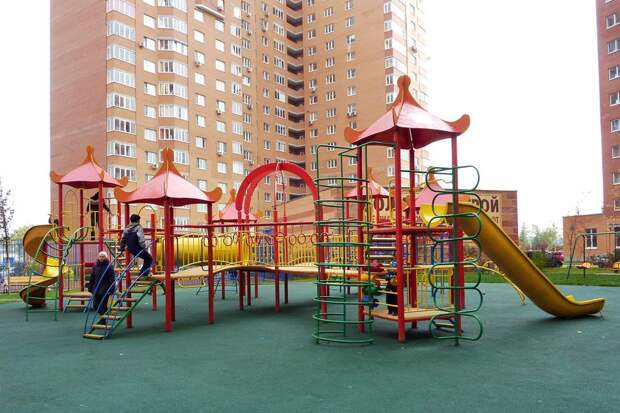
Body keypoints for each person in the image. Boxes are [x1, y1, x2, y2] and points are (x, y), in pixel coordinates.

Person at [119, 214, 153, 278]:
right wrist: (143, 246)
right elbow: (141, 238)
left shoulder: (126, 228)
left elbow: (123, 239)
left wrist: (122, 248)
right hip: (137, 247)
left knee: (146, 258)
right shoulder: (138, 227)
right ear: (137, 220)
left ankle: (143, 272)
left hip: (130, 248)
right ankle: (143, 273)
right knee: (149, 258)